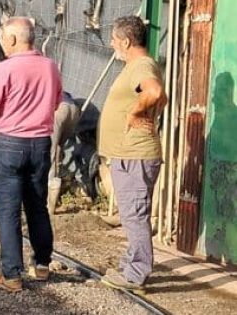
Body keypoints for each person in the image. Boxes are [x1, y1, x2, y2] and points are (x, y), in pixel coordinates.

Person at [0, 17, 62, 292]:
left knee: (8, 210)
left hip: (9, 144)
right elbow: (56, 103)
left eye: (3, 37)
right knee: (37, 205)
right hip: (40, 144)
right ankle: (42, 264)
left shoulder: (3, 69)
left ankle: (12, 274)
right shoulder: (50, 67)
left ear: (13, 39)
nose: (2, 42)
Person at [98, 16, 166, 294]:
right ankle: (131, 265)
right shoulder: (138, 67)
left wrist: (136, 112)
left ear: (126, 42)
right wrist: (147, 111)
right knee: (131, 214)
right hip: (130, 155)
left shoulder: (141, 66)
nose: (112, 44)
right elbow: (162, 99)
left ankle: (136, 275)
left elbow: (156, 92)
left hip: (135, 156)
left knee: (135, 215)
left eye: (114, 39)